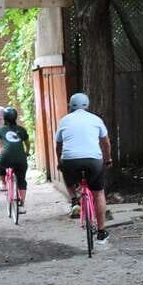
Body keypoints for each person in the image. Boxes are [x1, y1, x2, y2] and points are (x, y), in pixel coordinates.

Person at [55, 92, 112, 246]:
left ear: (70, 106)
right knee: (98, 193)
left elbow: (59, 146)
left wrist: (60, 160)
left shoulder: (64, 121)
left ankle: (74, 199)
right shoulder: (96, 119)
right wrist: (107, 159)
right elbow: (106, 143)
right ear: (87, 105)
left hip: (70, 162)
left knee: (67, 174)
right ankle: (101, 232)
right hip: (93, 161)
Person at [0, 107, 30, 213]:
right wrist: (27, 151)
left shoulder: (1, 130)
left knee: (0, 164)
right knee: (21, 180)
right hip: (20, 158)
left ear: (5, 119)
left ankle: (3, 183)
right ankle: (22, 204)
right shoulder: (21, 130)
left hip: (5, 157)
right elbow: (27, 142)